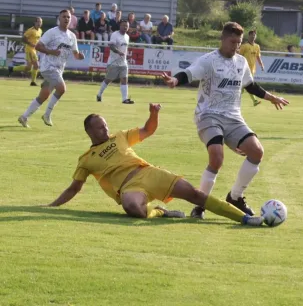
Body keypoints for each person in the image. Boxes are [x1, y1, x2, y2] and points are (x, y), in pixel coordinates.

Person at [45, 104, 264, 227]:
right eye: (100, 127)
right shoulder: (86, 159)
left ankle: (243, 218)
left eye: (105, 125)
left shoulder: (119, 136)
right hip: (129, 188)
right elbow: (74, 188)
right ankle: (159, 212)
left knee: (195, 195)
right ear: (89, 131)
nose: (105, 129)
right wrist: (52, 206)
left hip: (149, 173)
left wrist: (154, 114)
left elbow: (147, 130)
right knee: (132, 209)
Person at [162, 22, 289, 219]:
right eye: (232, 42)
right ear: (222, 39)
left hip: (233, 116)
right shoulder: (208, 60)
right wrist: (175, 80)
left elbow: (251, 86)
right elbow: (189, 73)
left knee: (257, 151)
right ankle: (200, 205)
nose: (236, 46)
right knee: (216, 157)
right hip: (208, 115)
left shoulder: (241, 62)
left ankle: (235, 197)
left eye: (238, 43)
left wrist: (271, 97)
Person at [17, 10, 85, 128]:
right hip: (48, 67)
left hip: (59, 69)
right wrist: (51, 52)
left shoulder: (72, 36)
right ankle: (47, 115)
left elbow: (75, 53)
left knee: (43, 96)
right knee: (62, 89)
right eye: (64, 17)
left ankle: (24, 117)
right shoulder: (52, 32)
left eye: (68, 17)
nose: (66, 19)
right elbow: (38, 46)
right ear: (59, 18)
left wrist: (80, 56)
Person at [96, 20, 134, 105]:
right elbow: (111, 46)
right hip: (113, 62)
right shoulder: (115, 35)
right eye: (123, 25)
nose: (125, 27)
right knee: (108, 80)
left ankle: (125, 99)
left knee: (124, 79)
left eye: (127, 26)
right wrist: (118, 52)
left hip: (123, 62)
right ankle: (99, 94)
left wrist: (123, 55)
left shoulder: (127, 36)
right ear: (120, 26)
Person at [8, 17, 43, 86]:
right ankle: (33, 82)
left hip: (34, 50)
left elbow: (37, 40)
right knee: (36, 65)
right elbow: (23, 39)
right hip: (30, 50)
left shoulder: (40, 30)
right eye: (38, 22)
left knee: (28, 68)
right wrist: (31, 44)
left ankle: (12, 68)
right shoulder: (30, 30)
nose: (39, 23)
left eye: (40, 22)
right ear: (35, 22)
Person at [239, 30, 265, 107]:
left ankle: (234, 98)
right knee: (248, 85)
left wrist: (261, 65)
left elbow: (258, 57)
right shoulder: (244, 46)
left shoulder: (257, 46)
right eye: (252, 35)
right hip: (244, 69)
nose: (253, 36)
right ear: (249, 36)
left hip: (252, 69)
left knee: (245, 86)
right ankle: (254, 100)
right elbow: (239, 56)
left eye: (254, 35)